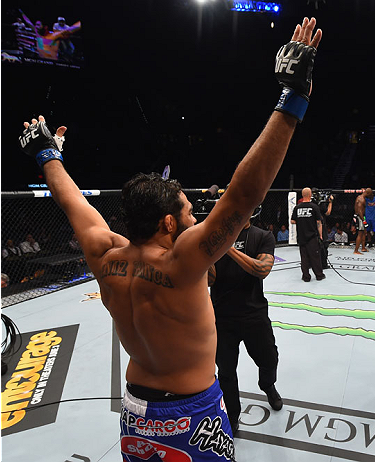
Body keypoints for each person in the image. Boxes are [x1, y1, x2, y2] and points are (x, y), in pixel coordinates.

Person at [16, 17, 322, 462]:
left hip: (136, 412)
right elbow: (245, 194)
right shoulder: (182, 261)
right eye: (187, 211)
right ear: (166, 224)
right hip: (191, 415)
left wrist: (47, 155)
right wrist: (293, 99)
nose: (195, 217)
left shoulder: (104, 253)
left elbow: (70, 202)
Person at [208, 219, 282, 435]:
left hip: (254, 312)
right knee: (226, 371)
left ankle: (267, 385)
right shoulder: (215, 237)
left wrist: (227, 248)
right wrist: (208, 257)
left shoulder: (262, 236)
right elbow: (210, 280)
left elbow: (262, 269)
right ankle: (232, 414)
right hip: (222, 315)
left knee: (269, 358)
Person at [291, 187, 326, 281]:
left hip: (301, 236)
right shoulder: (314, 207)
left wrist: (301, 220)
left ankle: (306, 277)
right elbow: (319, 222)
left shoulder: (297, 207)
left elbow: (292, 221)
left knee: (304, 257)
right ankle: (319, 275)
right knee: (315, 256)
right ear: (310, 195)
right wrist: (321, 235)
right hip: (312, 236)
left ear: (302, 195)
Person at [353, 189, 368, 254]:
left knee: (364, 232)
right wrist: (363, 220)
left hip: (360, 217)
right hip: (360, 217)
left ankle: (363, 248)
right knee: (360, 233)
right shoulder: (361, 199)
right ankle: (356, 250)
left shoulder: (359, 197)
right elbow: (359, 211)